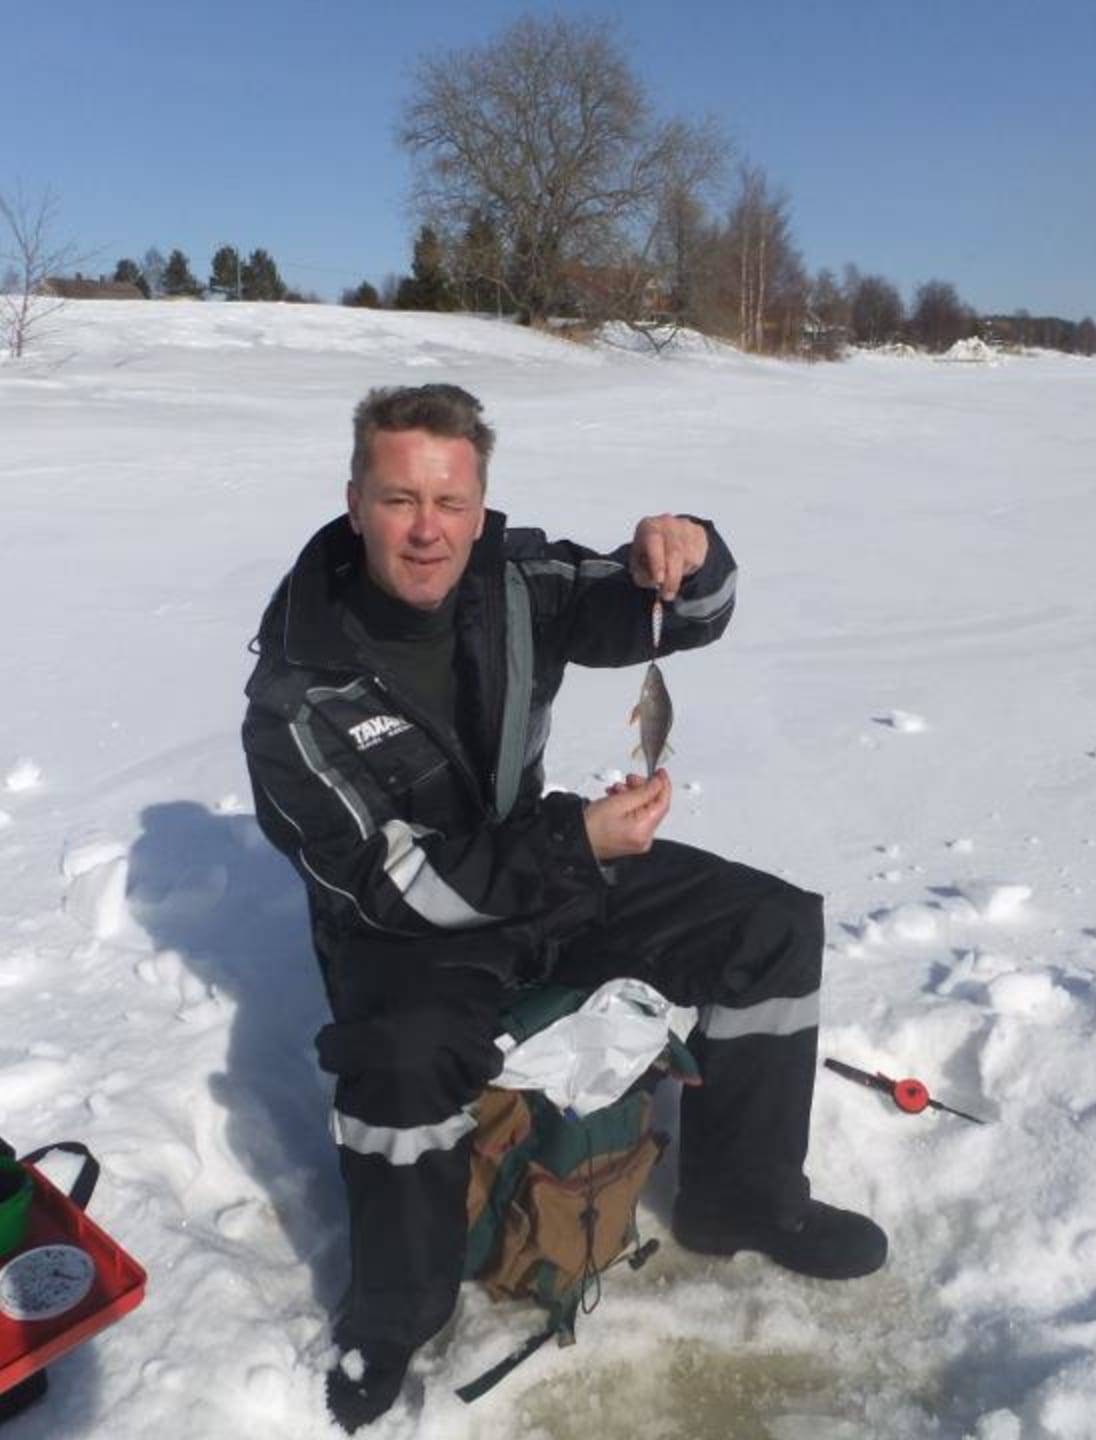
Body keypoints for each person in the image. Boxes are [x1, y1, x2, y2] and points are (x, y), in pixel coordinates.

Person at [241, 384, 885, 1432]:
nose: (427, 529)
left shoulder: (516, 577)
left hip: (545, 867)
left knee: (769, 926)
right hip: (405, 929)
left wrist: (689, 552)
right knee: (399, 1058)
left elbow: (682, 615)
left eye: (450, 501)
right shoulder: (296, 694)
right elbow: (402, 885)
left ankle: (745, 1196)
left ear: (480, 498)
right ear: (354, 500)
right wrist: (575, 844)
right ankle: (397, 1309)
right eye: (400, 498)